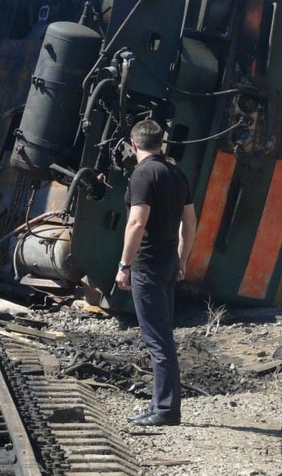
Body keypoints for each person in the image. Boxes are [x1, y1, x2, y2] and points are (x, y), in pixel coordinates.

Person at [114, 119, 197, 427]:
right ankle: (159, 405)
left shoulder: (143, 174)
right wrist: (182, 259)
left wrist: (125, 264)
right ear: (160, 143)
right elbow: (190, 222)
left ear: (134, 145)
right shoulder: (176, 173)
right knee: (162, 337)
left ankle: (165, 410)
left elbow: (137, 222)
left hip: (147, 265)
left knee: (158, 340)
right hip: (167, 263)